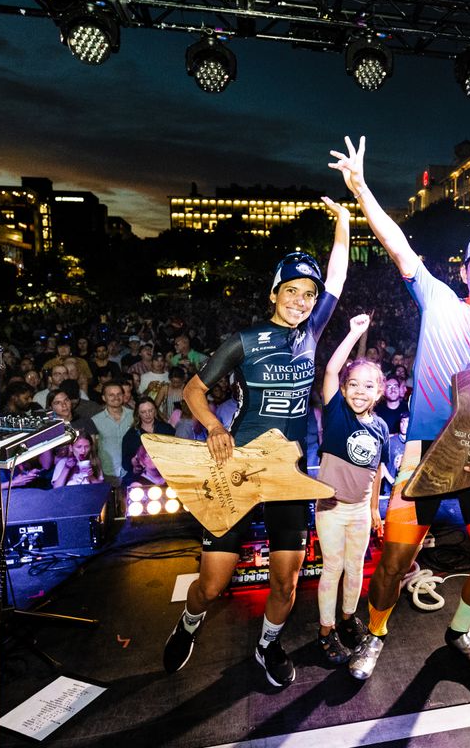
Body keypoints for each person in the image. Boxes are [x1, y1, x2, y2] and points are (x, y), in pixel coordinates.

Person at [329, 136, 470, 680]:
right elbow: (396, 243)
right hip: (421, 460)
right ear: (464, 272)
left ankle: (460, 630)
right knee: (395, 562)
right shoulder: (438, 299)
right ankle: (374, 636)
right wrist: (362, 188)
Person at [162, 203, 349, 688]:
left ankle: (268, 645)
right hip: (237, 468)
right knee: (213, 583)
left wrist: (346, 217)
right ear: (275, 292)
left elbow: (338, 274)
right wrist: (215, 428)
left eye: (309, 294)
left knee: (286, 581)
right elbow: (193, 391)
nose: (302, 300)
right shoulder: (244, 339)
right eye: (293, 291)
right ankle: (189, 622)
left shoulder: (311, 333)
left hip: (287, 475)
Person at [314, 314, 389, 666]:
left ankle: (347, 618)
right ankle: (326, 631)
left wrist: (374, 510)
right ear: (344, 390)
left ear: (380, 391)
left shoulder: (381, 429)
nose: (360, 392)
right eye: (354, 385)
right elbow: (330, 371)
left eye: (368, 386)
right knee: (333, 567)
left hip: (360, 510)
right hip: (330, 508)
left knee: (356, 567)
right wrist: (353, 333)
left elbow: (375, 474)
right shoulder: (336, 415)